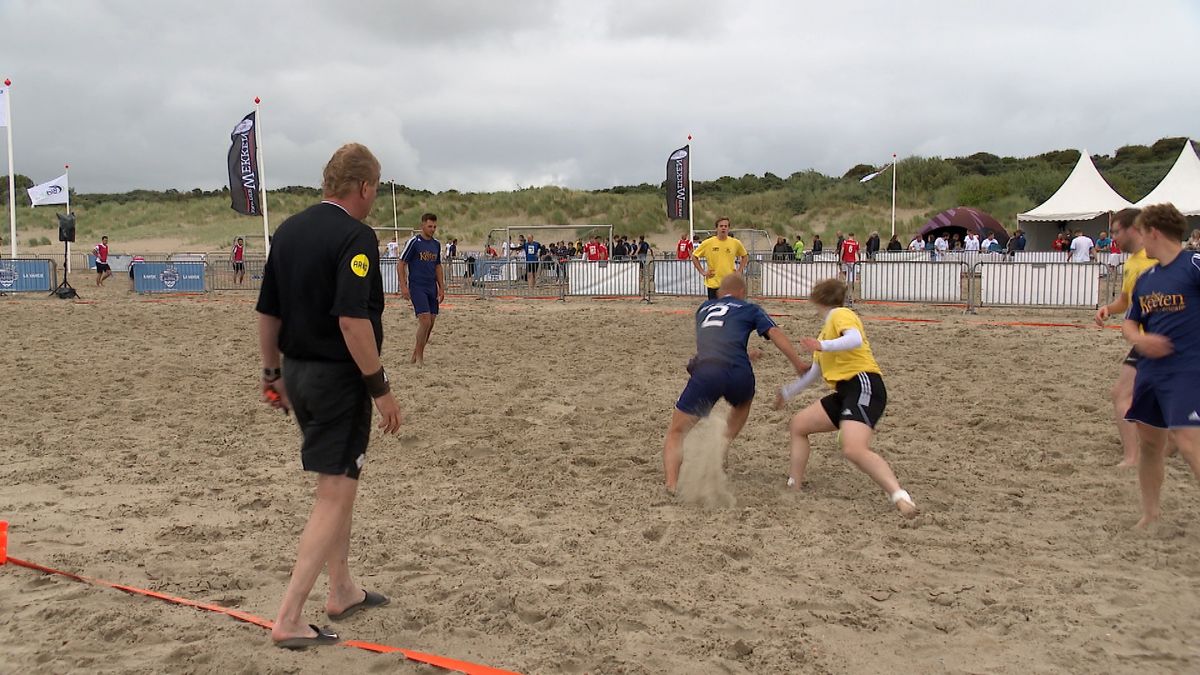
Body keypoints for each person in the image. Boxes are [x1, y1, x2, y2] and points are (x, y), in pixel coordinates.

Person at [255, 143, 402, 649]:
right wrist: (381, 389)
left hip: (295, 371)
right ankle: (290, 616)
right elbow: (351, 319)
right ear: (363, 187)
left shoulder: (289, 230)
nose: (374, 199)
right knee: (334, 492)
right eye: (375, 190)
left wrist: (272, 372)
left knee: (340, 481)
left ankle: (342, 589)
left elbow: (267, 311)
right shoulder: (356, 236)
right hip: (336, 378)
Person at [773, 278, 918, 519]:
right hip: (846, 390)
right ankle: (794, 485)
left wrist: (822, 344)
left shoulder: (840, 314)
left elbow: (854, 339)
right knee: (798, 425)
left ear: (817, 299)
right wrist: (787, 393)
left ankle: (900, 497)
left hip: (863, 383)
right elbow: (815, 373)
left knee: (853, 448)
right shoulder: (827, 328)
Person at [663, 273, 809, 492]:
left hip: (707, 371)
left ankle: (672, 484)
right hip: (738, 373)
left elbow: (714, 342)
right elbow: (775, 332)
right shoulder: (749, 308)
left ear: (721, 292)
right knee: (743, 402)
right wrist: (797, 363)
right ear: (742, 292)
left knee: (676, 432)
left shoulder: (703, 309)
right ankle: (721, 446)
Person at [1121, 203, 1200, 529]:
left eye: (1142, 233)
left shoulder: (1194, 264)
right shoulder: (1146, 278)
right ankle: (1150, 514)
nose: (1141, 242)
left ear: (1153, 232)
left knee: (1187, 441)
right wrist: (1141, 341)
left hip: (1189, 369)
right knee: (1150, 444)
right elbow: (1130, 323)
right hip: (1151, 372)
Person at [1094, 208, 1154, 468]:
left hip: (1157, 340)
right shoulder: (1131, 263)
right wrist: (1109, 308)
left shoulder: (1154, 261)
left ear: (1134, 229)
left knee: (1122, 395)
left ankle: (1132, 458)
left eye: (1117, 231)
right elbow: (1126, 300)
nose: (1113, 238)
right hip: (1146, 341)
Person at [398, 213, 444, 366]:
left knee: (431, 323)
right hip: (417, 286)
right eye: (430, 226)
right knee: (424, 321)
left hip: (431, 286)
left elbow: (438, 266)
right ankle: (420, 358)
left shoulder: (436, 244)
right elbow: (401, 263)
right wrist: (403, 286)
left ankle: (415, 353)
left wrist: (441, 288)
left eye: (434, 227)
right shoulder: (414, 242)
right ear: (422, 225)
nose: (432, 229)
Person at [691, 218, 748, 300]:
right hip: (713, 283)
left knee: (730, 309)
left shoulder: (735, 243)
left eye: (726, 226)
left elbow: (745, 256)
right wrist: (703, 272)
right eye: (721, 226)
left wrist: (739, 271)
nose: (723, 228)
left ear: (728, 228)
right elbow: (694, 256)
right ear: (716, 228)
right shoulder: (708, 243)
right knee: (715, 309)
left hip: (729, 284)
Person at [840, 232, 860, 302]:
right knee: (852, 279)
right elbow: (858, 252)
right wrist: (859, 260)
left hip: (846, 261)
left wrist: (841, 258)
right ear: (853, 236)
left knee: (845, 277)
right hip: (853, 261)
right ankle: (851, 295)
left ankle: (846, 294)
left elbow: (842, 250)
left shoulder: (845, 242)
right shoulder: (856, 243)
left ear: (848, 236)